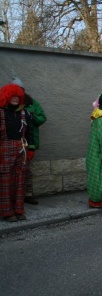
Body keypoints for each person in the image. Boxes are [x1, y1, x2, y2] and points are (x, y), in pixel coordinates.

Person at [0, 84, 35, 222]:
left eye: (17, 96)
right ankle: (7, 212)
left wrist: (31, 149)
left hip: (22, 148)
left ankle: (19, 209)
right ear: (6, 97)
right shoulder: (1, 112)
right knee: (5, 180)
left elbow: (30, 132)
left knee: (21, 179)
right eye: (12, 95)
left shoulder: (25, 113)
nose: (15, 98)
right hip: (4, 148)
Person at [11, 76, 47, 205]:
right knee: (10, 171)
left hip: (27, 142)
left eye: (20, 90)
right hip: (11, 143)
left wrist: (30, 116)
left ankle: (27, 194)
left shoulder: (32, 103)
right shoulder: (6, 103)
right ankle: (12, 197)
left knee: (26, 171)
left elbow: (42, 118)